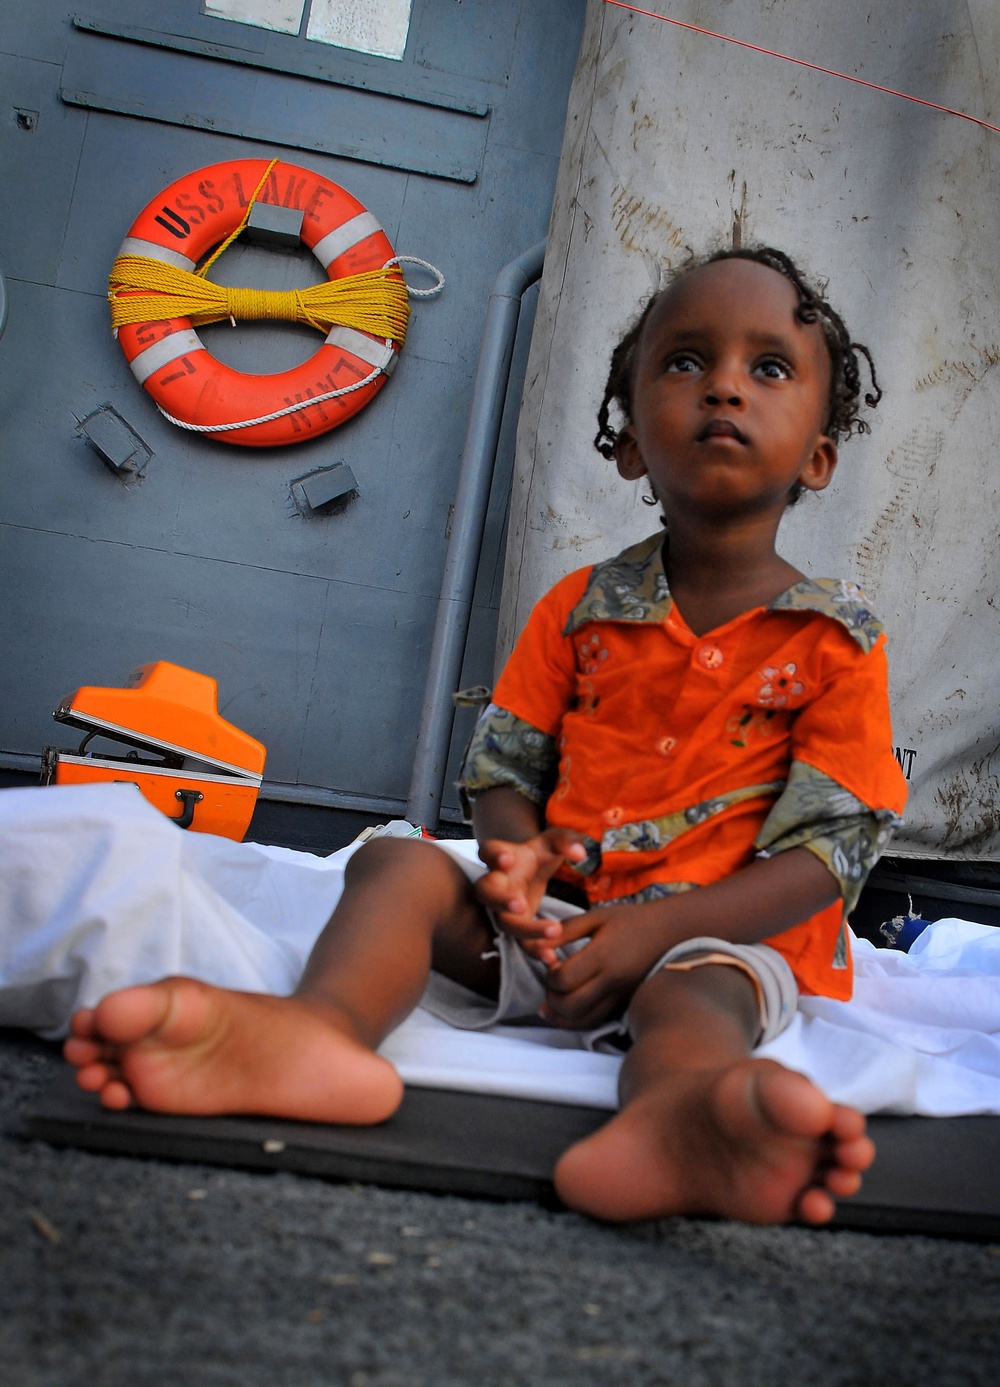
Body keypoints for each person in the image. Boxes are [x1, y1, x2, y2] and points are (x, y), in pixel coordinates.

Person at [64, 246, 908, 1226]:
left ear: (816, 454)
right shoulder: (577, 611)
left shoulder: (836, 639)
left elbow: (827, 853)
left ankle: (681, 1121)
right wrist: (512, 873)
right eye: (683, 361)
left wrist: (652, 932)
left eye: (768, 368)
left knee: (695, 1003)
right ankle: (317, 1032)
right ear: (630, 438)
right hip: (552, 923)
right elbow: (503, 770)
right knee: (396, 868)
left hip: (713, 939)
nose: (723, 384)